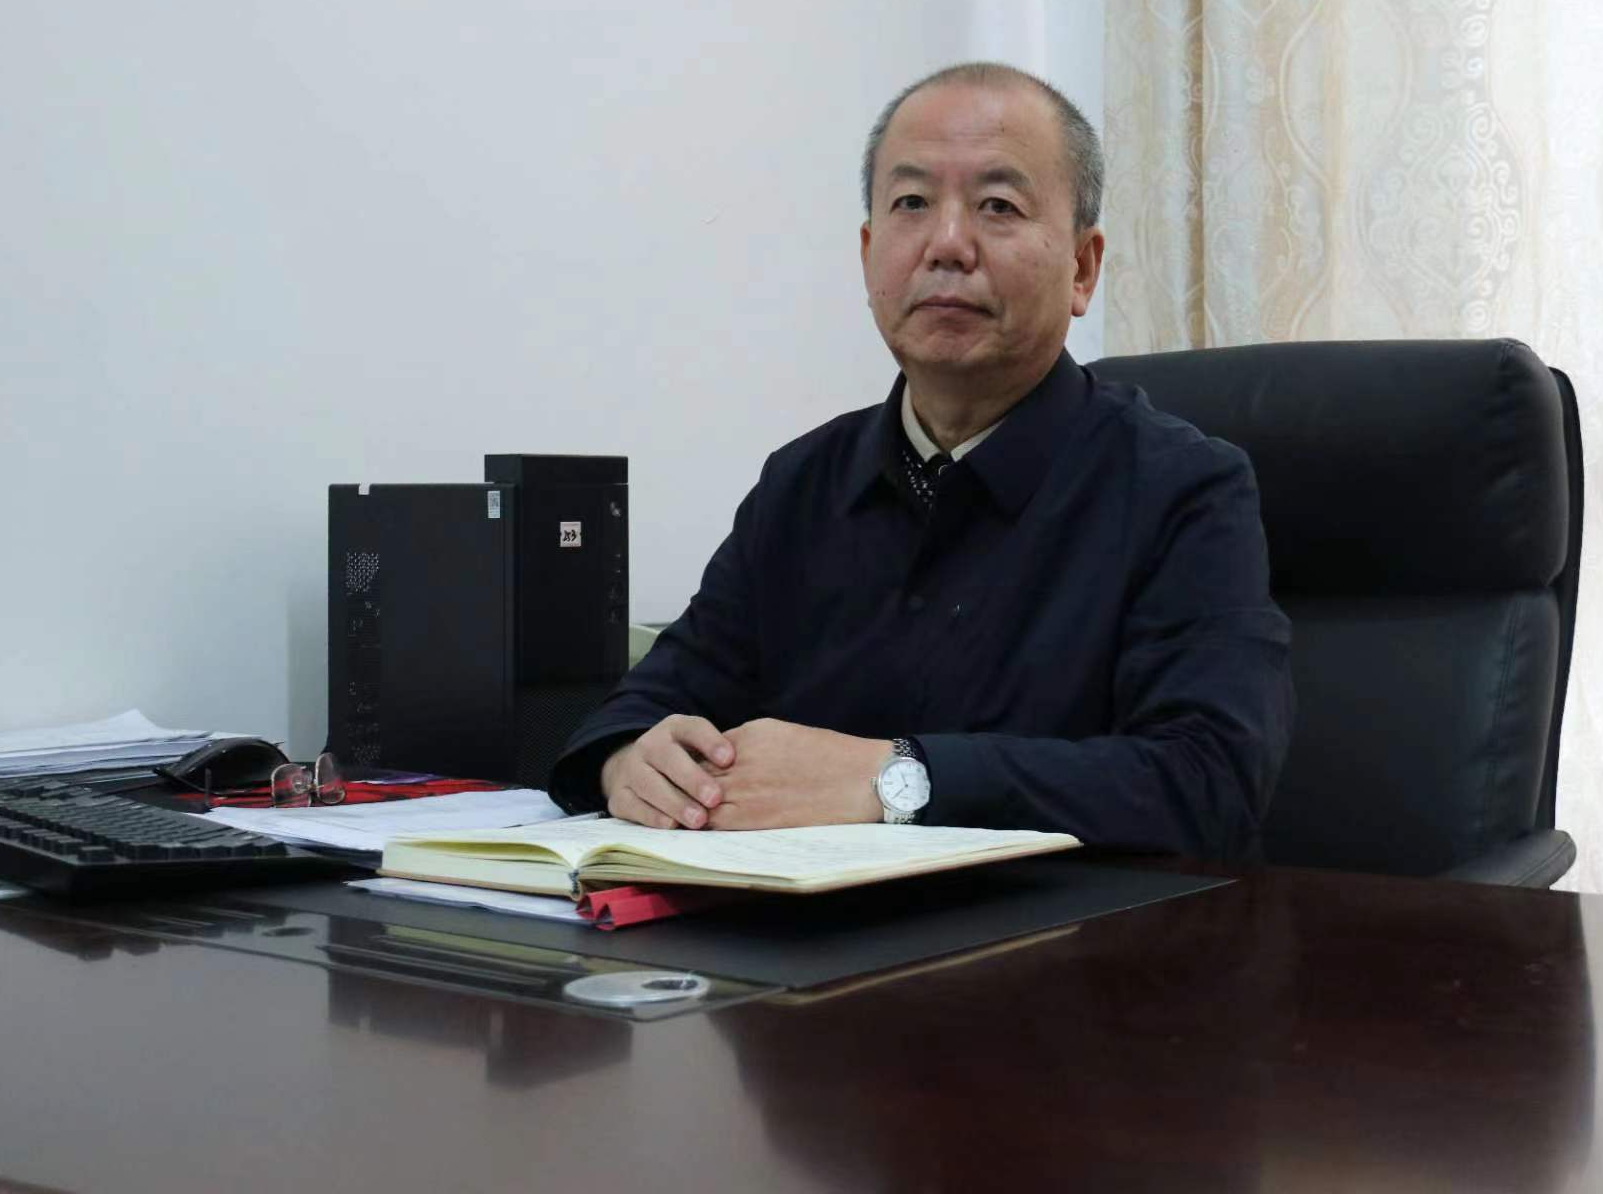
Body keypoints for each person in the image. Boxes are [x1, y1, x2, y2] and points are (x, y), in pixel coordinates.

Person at [549, 62, 1293, 858]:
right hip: (798, 929)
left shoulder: (1182, 488)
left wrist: (895, 780)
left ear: (1082, 268)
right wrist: (631, 759)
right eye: (911, 203)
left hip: (1067, 930)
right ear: (869, 253)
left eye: (998, 206)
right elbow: (649, 701)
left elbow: (1209, 782)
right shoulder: (802, 483)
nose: (947, 244)